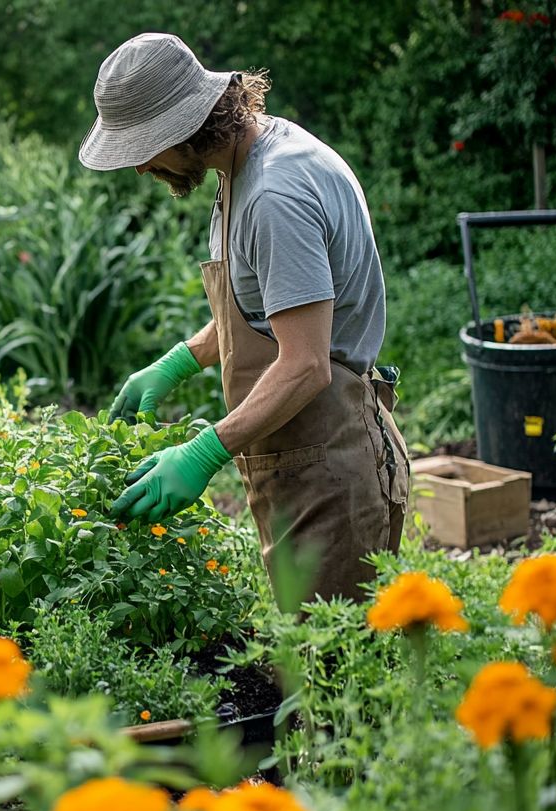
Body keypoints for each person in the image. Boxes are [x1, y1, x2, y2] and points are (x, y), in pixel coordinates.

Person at [80, 32, 409, 606]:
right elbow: (264, 312)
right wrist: (177, 363)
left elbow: (306, 365)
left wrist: (203, 453)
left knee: (340, 681)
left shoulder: (275, 194)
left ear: (181, 129)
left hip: (333, 466)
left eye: (143, 149)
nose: (139, 168)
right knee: (308, 671)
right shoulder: (241, 160)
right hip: (300, 458)